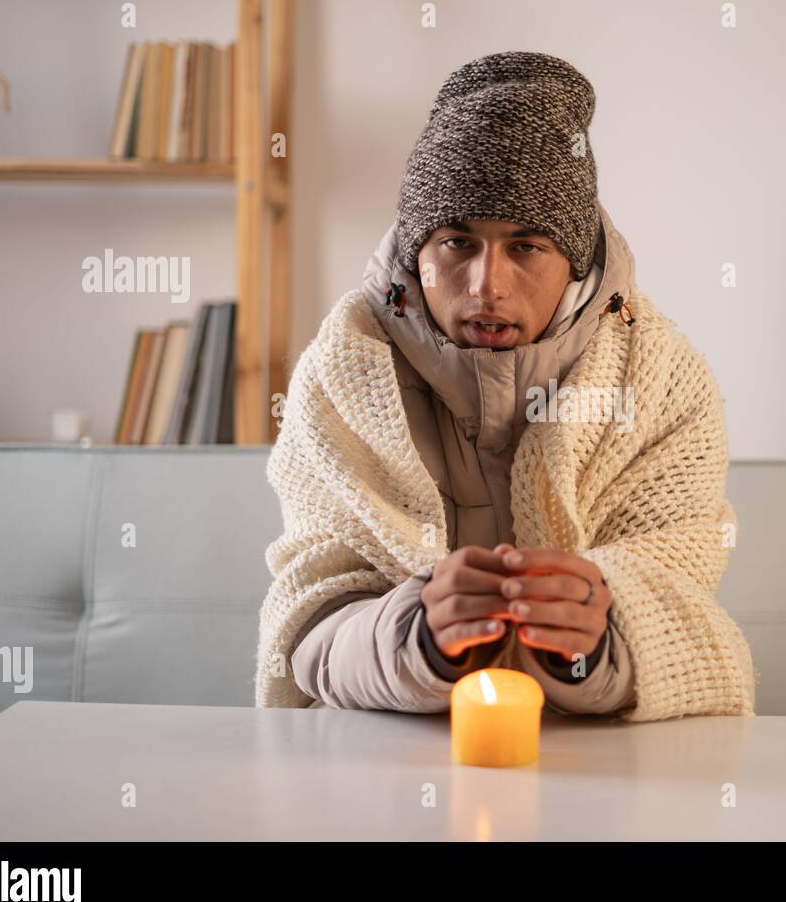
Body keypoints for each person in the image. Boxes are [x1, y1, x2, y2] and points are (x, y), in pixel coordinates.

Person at [255, 51, 756, 722]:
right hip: (382, 775)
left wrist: (585, 648)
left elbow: (681, 600)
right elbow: (311, 625)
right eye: (458, 242)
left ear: (575, 265)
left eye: (526, 247)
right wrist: (420, 644)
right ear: (416, 253)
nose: (487, 284)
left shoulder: (665, 385)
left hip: (603, 775)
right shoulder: (341, 374)